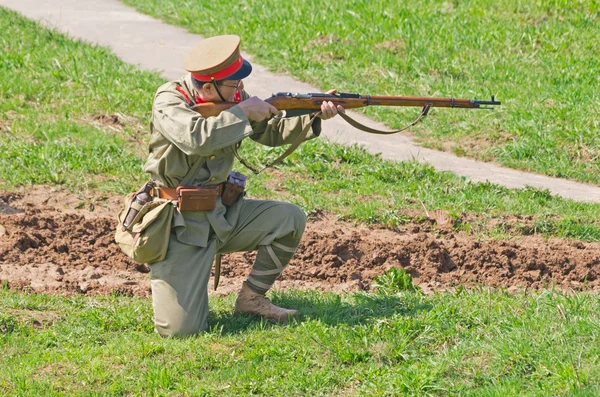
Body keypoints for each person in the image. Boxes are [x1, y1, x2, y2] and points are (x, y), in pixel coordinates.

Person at [143, 35, 342, 337]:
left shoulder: (231, 97)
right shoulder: (169, 100)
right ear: (208, 87)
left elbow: (269, 131)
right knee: (180, 332)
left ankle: (251, 298)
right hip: (178, 226)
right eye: (233, 85)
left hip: (220, 214)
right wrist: (243, 112)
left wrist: (313, 113)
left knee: (289, 219)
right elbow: (196, 138)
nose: (240, 91)